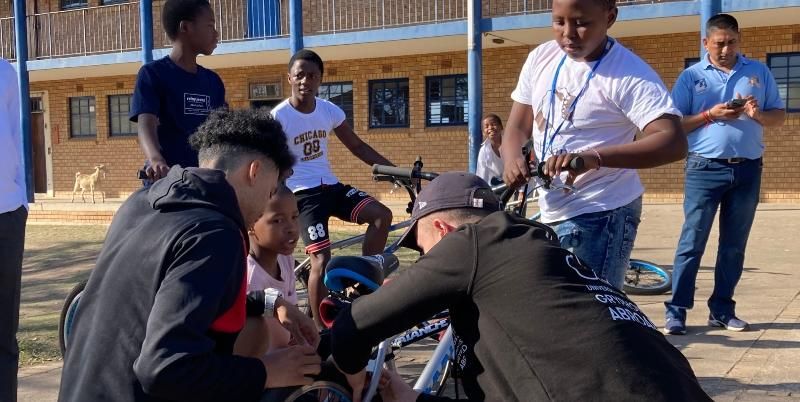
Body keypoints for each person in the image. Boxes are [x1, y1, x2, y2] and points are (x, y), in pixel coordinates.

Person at [329, 172, 710, 401]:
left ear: (444, 231)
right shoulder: (544, 265)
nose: (428, 263)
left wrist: (349, 368)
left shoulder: (477, 241)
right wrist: (413, 398)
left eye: (425, 248)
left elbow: (354, 329)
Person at [58, 108, 321, 402]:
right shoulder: (215, 232)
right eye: (270, 191)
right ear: (254, 171)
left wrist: (272, 302)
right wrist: (265, 371)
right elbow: (165, 368)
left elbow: (180, 302)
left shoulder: (142, 202)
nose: (265, 205)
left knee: (256, 327)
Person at [501, 0, 687, 290]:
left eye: (581, 23)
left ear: (610, 17)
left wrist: (595, 158)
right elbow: (516, 126)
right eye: (559, 22)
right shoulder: (542, 57)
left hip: (602, 213)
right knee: (557, 312)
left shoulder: (629, 74)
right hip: (553, 209)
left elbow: (672, 141)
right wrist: (512, 158)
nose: (568, 34)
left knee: (590, 318)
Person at [663, 14, 786, 335]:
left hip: (748, 170)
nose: (725, 49)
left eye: (731, 42)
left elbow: (779, 117)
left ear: (739, 40)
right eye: (719, 43)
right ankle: (676, 311)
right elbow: (672, 124)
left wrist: (757, 114)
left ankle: (721, 309)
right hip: (704, 168)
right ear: (706, 43)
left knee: (733, 246)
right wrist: (709, 114)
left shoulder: (758, 72)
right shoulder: (691, 77)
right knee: (692, 241)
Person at [271, 49, 394, 328]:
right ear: (289, 77)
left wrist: (392, 171)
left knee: (381, 216)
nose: (305, 80)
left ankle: (363, 286)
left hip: (331, 187)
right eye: (299, 75)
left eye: (312, 75)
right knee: (321, 259)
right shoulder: (278, 117)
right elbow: (270, 159)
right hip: (302, 195)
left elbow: (358, 146)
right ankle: (321, 331)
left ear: (320, 80)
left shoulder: (329, 110)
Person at [131, 0, 226, 183]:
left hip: (203, 182)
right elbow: (146, 123)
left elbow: (222, 132)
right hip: (166, 183)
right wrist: (156, 159)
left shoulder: (213, 81)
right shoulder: (153, 74)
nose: (216, 33)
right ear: (185, 27)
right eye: (210, 25)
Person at [234, 185, 301, 357]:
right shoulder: (248, 274)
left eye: (294, 217)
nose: (291, 227)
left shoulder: (285, 260)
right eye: (278, 220)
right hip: (265, 364)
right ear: (250, 224)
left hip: (288, 352)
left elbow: (293, 312)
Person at [0, 57, 27, 402]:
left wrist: (19, 197)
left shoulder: (5, 71)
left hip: (8, 211)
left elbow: (13, 135)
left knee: (5, 333)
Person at [475, 114, 504, 184]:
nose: (490, 128)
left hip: (517, 186)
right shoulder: (483, 151)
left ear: (501, 127)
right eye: (486, 126)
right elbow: (481, 175)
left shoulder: (511, 144)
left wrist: (521, 192)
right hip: (497, 188)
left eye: (493, 124)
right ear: (483, 132)